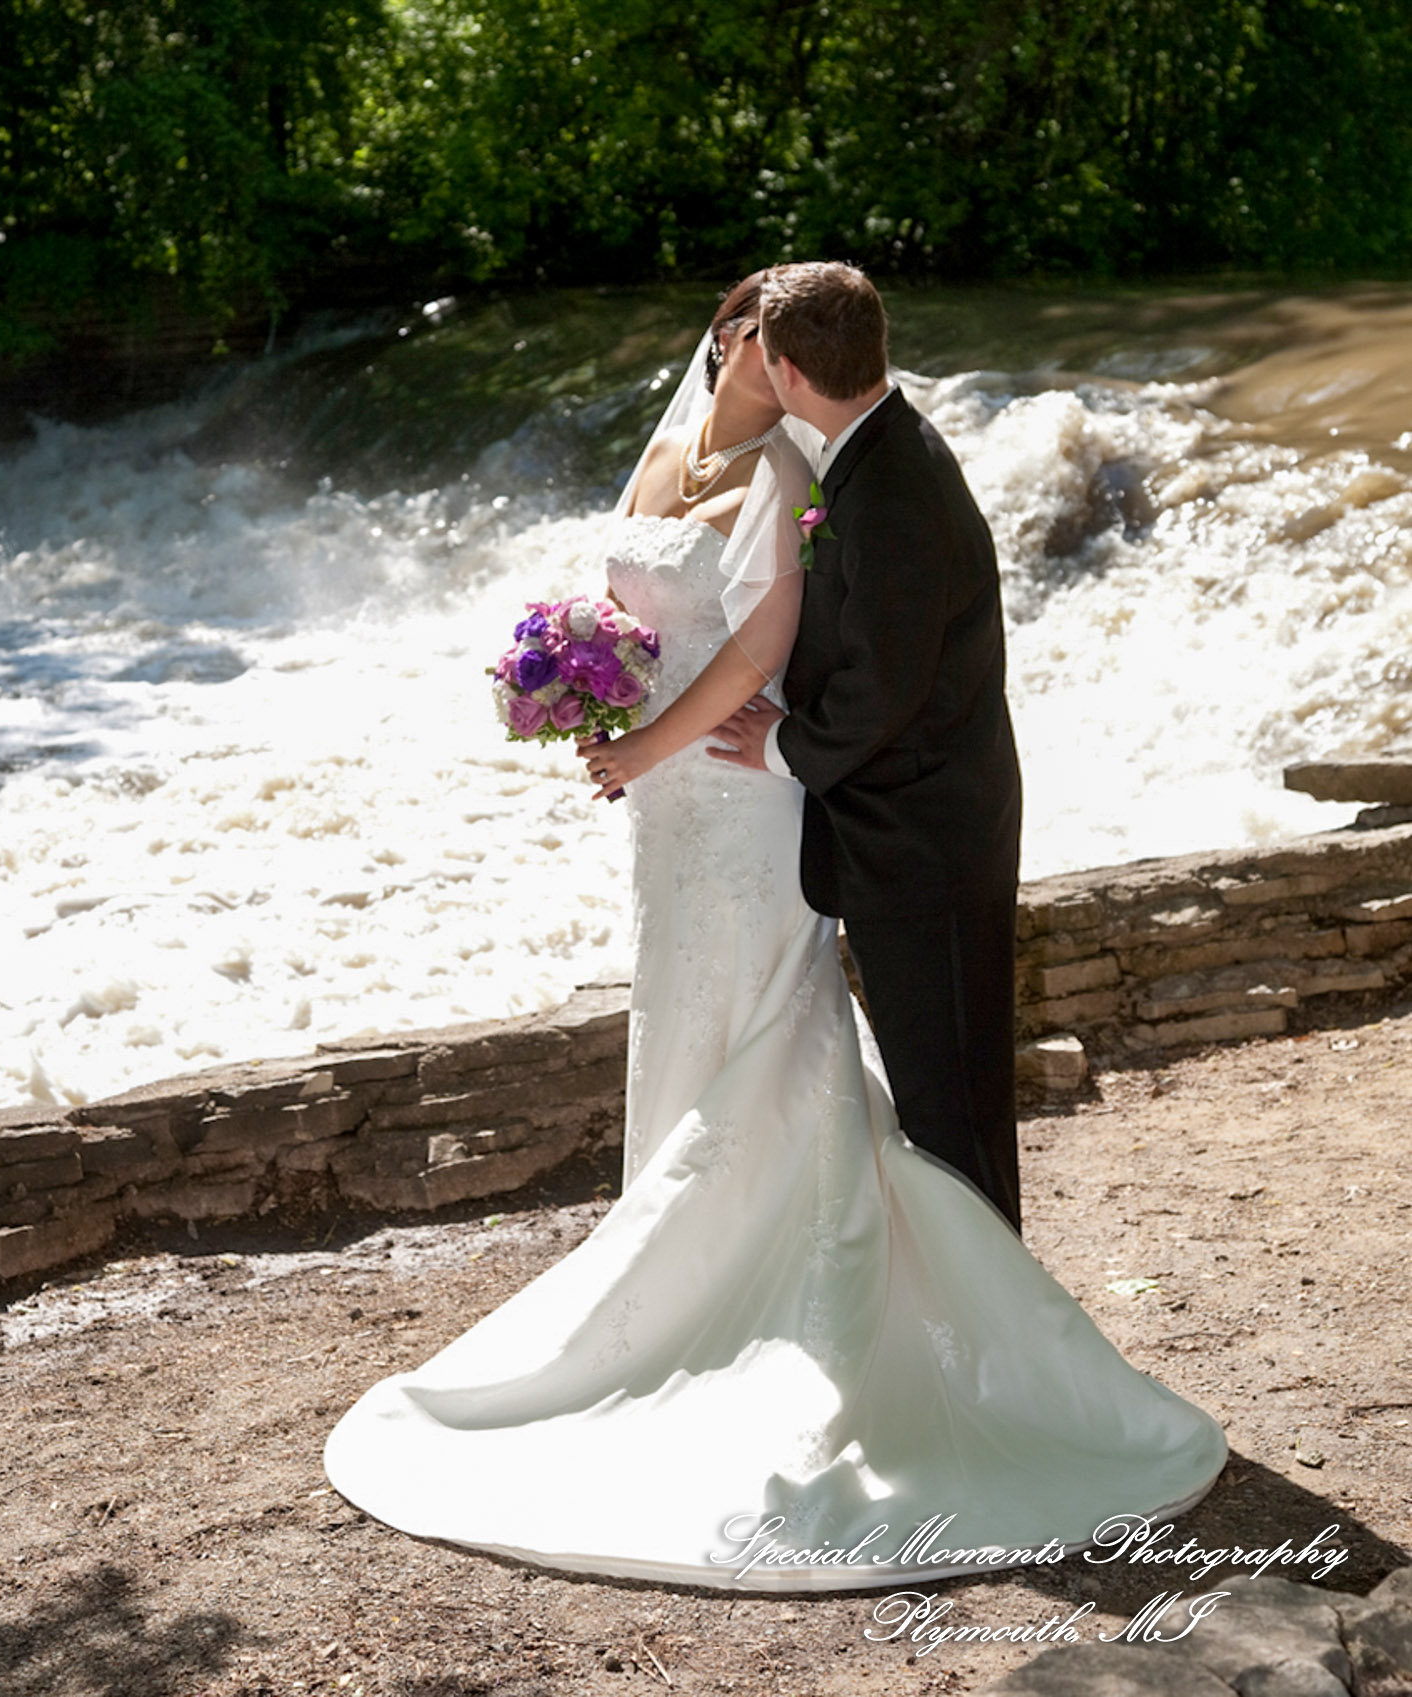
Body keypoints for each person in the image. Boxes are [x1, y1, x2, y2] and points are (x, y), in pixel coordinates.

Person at [322, 275, 1226, 1591]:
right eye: (723, 328)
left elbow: (829, 668)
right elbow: (707, 615)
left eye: (749, 331)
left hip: (826, 806)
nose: (726, 344)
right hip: (705, 799)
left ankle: (1001, 1350)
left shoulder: (845, 475)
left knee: (928, 1091)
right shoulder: (793, 454)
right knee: (829, 1058)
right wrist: (588, 663)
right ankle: (753, 1283)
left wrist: (695, 739)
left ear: (781, 361)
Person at [711, 261, 1022, 1232]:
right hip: (920, 831)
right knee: (944, 1104)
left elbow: (879, 689)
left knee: (953, 1111)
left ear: (793, 369)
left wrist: (779, 745)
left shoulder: (890, 484)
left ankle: (1002, 1345)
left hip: (927, 845)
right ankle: (980, 1318)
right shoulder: (874, 448)